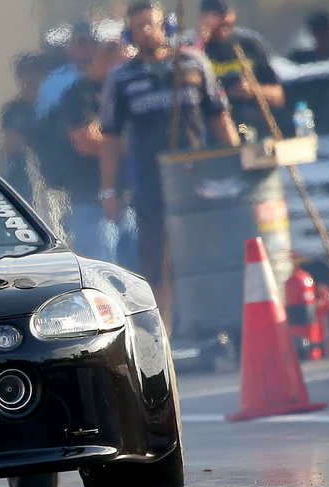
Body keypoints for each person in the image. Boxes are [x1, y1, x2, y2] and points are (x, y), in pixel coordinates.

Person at [100, 1, 239, 292]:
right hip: (150, 183)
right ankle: (162, 314)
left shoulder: (193, 62)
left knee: (203, 251)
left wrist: (236, 161)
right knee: (155, 261)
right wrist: (109, 191)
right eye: (139, 27)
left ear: (166, 26)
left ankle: (203, 309)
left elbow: (218, 116)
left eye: (151, 24)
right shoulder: (121, 78)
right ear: (130, 33)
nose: (146, 31)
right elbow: (110, 138)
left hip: (196, 177)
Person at [53, 39, 129, 263]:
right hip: (91, 202)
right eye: (123, 66)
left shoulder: (124, 93)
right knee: (102, 272)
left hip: (130, 199)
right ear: (105, 62)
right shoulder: (79, 94)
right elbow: (87, 141)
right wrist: (132, 145)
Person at [197, 0, 285, 141]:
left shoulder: (248, 44)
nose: (222, 25)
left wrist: (253, 90)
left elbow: (279, 95)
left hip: (254, 130)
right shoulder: (196, 50)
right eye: (216, 17)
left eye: (226, 20)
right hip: (215, 135)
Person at [0, 52, 48, 202]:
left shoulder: (55, 106)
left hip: (54, 175)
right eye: (25, 72)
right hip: (24, 178)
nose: (31, 77)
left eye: (35, 71)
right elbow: (11, 145)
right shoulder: (13, 110)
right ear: (19, 76)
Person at [36, 22, 99, 120]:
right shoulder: (55, 81)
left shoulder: (107, 74)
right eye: (80, 42)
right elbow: (45, 115)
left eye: (91, 42)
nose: (87, 47)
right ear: (69, 47)